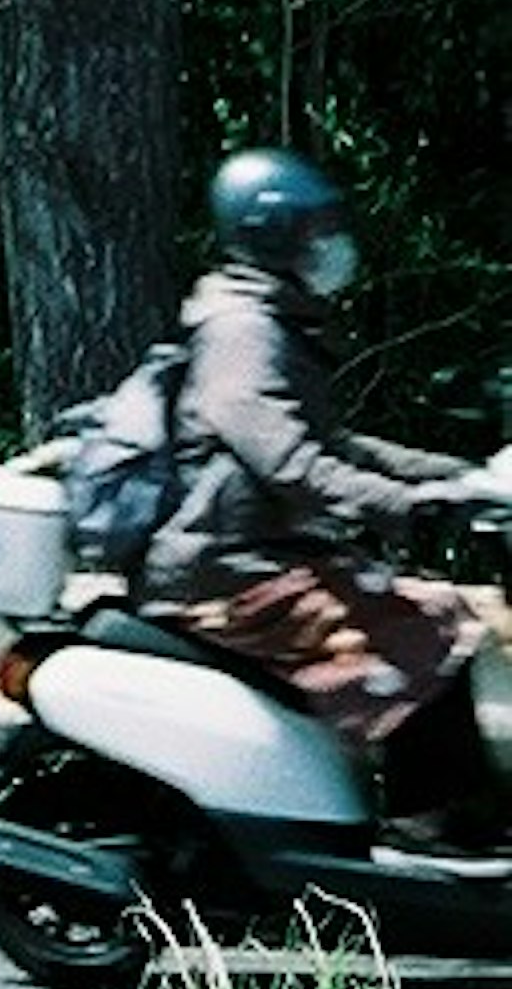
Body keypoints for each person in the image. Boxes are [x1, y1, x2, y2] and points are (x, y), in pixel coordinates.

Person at [135, 147, 496, 810]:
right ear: (271, 234)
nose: (332, 243)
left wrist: (459, 479)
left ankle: (436, 816)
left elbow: (337, 446)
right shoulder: (244, 332)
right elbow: (294, 466)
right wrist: (411, 508)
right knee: (428, 629)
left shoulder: (270, 321)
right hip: (226, 576)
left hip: (260, 563)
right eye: (315, 230)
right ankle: (434, 827)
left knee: (436, 614)